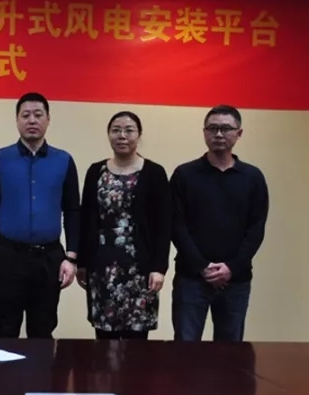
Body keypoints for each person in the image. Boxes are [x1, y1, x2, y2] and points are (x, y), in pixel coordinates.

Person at [0, 92, 80, 338]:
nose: (32, 120)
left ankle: (42, 367)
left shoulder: (64, 160)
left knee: (43, 329)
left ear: (48, 119)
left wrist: (71, 257)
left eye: (38, 115)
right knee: (4, 329)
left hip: (49, 257)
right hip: (8, 256)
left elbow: (72, 210)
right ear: (17, 120)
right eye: (25, 115)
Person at [170, 105, 268, 342]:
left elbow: (256, 229)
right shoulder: (185, 174)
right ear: (204, 132)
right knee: (184, 350)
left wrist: (231, 267)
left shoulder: (252, 177)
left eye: (226, 129)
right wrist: (202, 265)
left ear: (239, 133)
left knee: (230, 354)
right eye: (212, 128)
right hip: (191, 278)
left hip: (236, 279)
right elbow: (176, 225)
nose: (219, 134)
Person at [77, 111, 171, 340]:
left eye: (129, 130)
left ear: (139, 135)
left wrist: (159, 268)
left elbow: (163, 224)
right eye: (116, 130)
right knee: (104, 335)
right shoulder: (96, 171)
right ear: (108, 134)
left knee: (136, 339)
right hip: (102, 265)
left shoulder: (154, 173)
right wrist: (82, 263)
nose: (122, 136)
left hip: (140, 267)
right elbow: (86, 218)